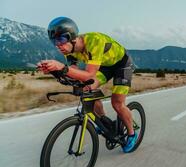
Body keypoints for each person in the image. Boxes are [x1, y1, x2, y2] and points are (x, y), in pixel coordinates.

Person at [37, 17, 137, 153]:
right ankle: (104, 121)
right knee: (87, 89)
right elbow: (74, 73)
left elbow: (89, 75)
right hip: (104, 67)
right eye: (54, 41)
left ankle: (131, 134)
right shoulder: (69, 51)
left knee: (117, 103)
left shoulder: (94, 41)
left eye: (60, 40)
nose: (57, 45)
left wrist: (62, 67)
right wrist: (54, 70)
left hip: (122, 65)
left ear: (72, 37)